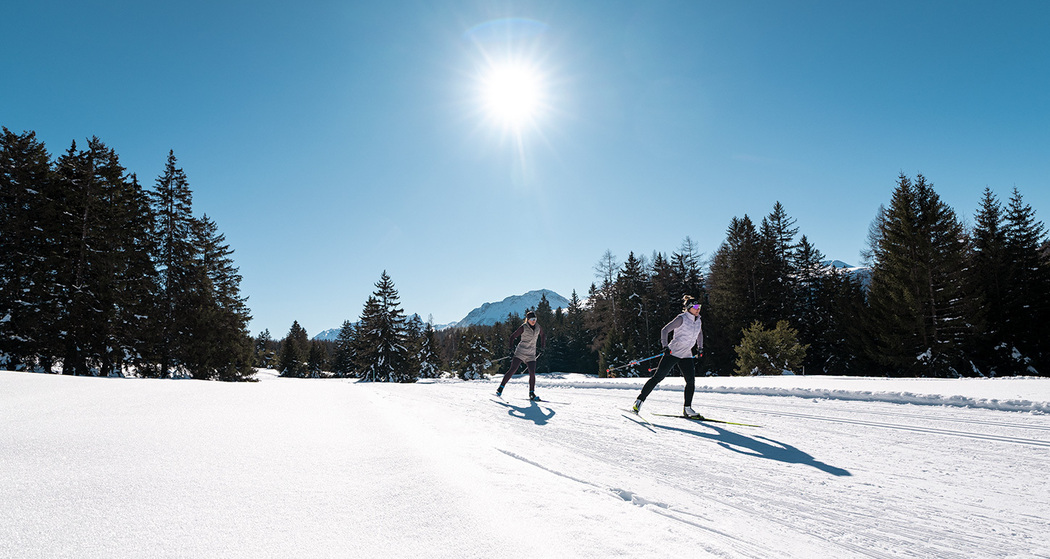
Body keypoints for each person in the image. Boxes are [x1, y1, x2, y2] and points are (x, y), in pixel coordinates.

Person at [632, 296, 705, 419]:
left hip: (686, 354)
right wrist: (665, 346)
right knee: (657, 378)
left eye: (699, 307)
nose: (698, 309)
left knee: (691, 381)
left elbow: (700, 333)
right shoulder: (681, 319)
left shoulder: (698, 320)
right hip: (673, 352)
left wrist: (700, 347)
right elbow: (665, 330)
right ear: (689, 308)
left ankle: (687, 408)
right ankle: (639, 401)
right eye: (696, 307)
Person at [497, 310, 547, 401]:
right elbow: (512, 337)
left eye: (535, 319)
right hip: (520, 352)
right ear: (527, 319)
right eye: (532, 319)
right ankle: (500, 388)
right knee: (512, 370)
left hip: (531, 354)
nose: (534, 321)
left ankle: (531, 393)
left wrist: (542, 347)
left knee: (532, 373)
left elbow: (543, 335)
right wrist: (510, 349)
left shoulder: (538, 327)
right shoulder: (523, 327)